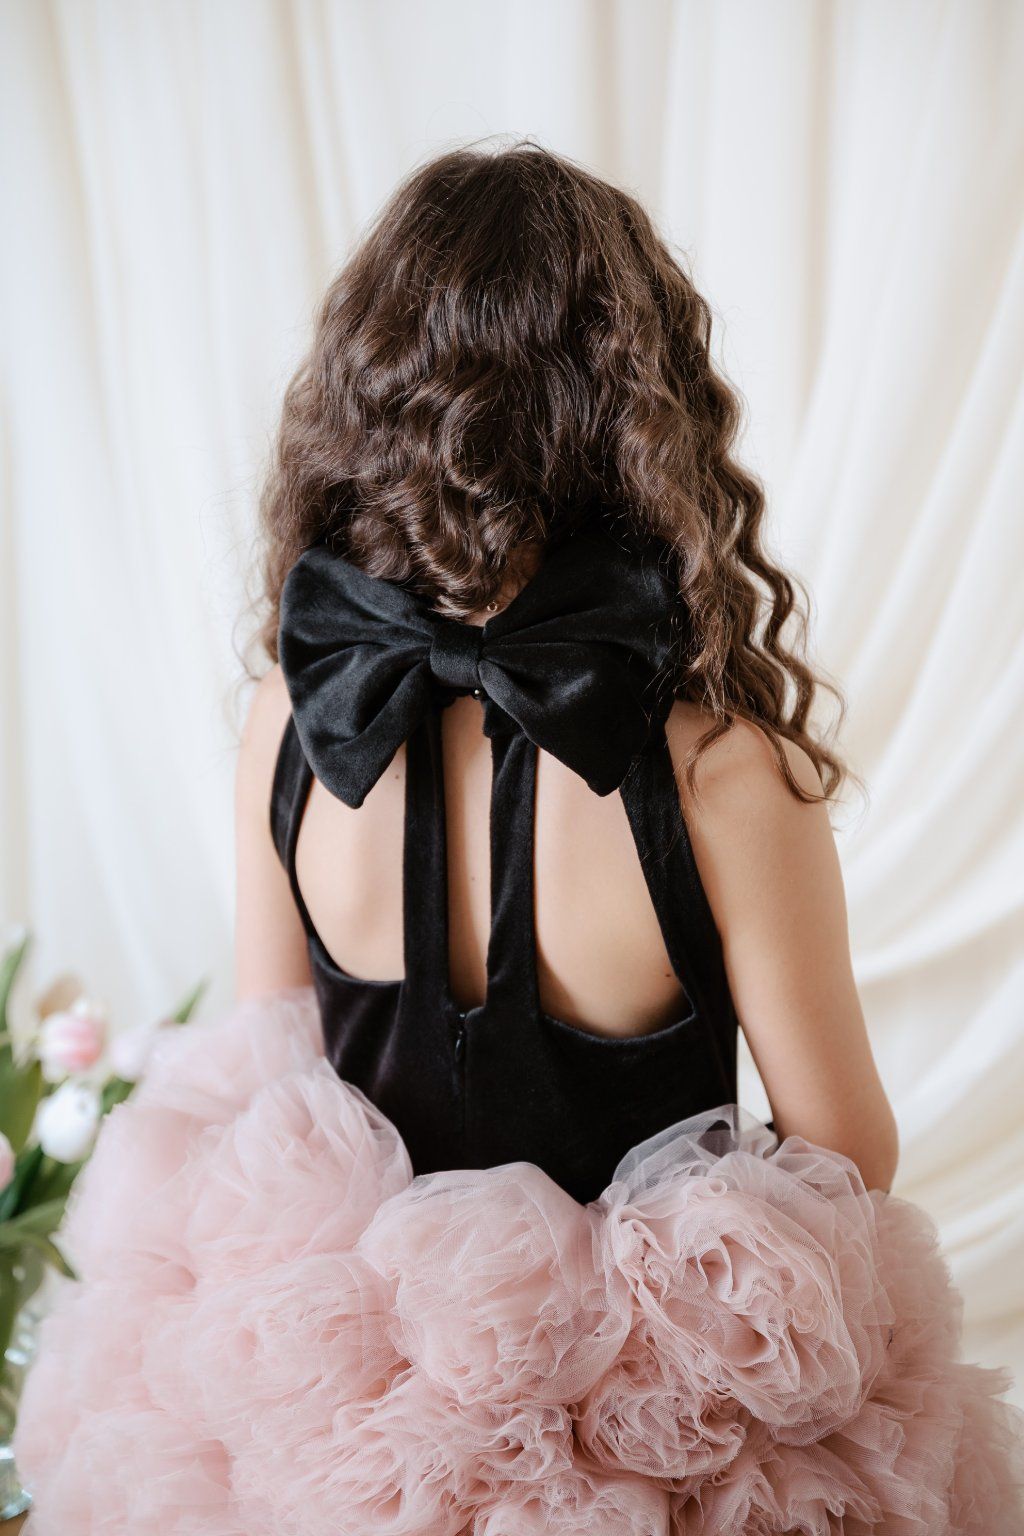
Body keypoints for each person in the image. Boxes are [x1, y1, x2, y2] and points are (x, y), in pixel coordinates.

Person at [14, 141, 1023, 1533]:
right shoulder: (720, 775)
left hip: (345, 1433)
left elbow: (276, 1079)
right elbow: (848, 1151)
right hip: (662, 1444)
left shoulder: (295, 719)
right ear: (641, 422)